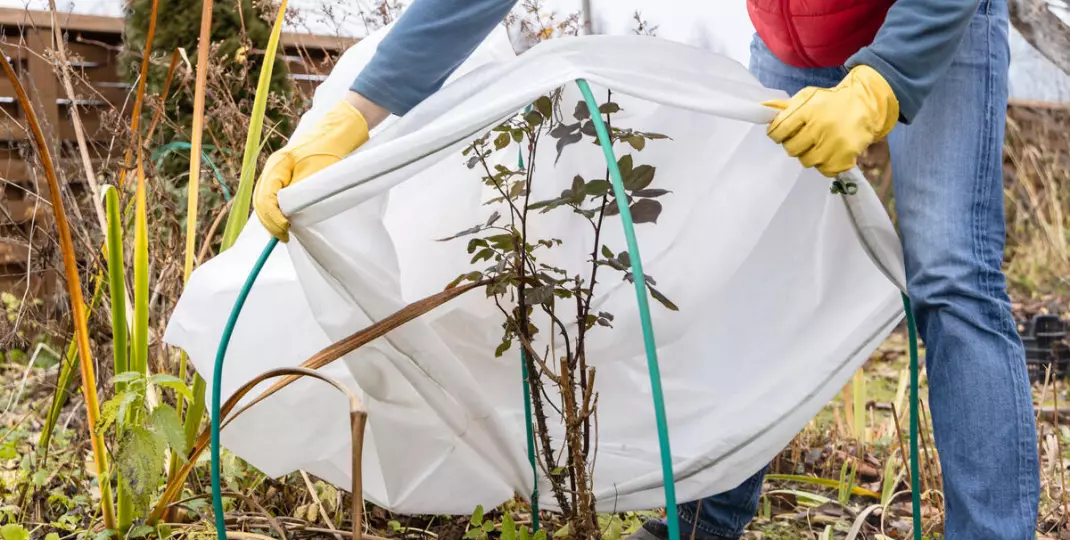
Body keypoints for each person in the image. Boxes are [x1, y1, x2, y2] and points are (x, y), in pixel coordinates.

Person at [251, 0, 1041, 537]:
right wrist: (356, 111)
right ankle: (703, 522)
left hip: (932, 20)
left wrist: (882, 84)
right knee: (747, 264)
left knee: (950, 278)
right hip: (793, 36)